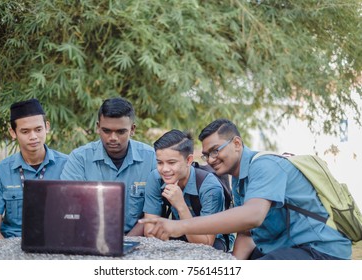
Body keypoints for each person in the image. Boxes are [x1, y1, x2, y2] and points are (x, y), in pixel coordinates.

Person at [140, 119, 352, 260]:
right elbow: (246, 234)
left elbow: (253, 216)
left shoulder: (265, 165)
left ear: (237, 143)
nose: (211, 160)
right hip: (280, 248)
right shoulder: (239, 181)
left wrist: (180, 226)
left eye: (216, 151)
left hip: (320, 249)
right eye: (206, 155)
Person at [60, 97, 156, 236]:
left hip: (136, 240)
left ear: (132, 129)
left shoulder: (150, 158)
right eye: (106, 131)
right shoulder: (79, 158)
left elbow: (152, 215)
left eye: (120, 132)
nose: (113, 138)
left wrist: (124, 243)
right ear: (98, 127)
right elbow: (69, 207)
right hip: (88, 237)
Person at [0, 98, 68, 240]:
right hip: (13, 245)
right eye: (25, 131)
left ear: (47, 127)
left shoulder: (68, 165)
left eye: (38, 129)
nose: (33, 136)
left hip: (56, 242)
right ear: (13, 132)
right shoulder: (0, 172)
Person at [143, 129, 234, 251]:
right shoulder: (156, 178)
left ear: (189, 160)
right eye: (160, 163)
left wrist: (181, 205)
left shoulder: (210, 187)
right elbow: (150, 231)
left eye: (171, 162)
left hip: (212, 241)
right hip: (178, 233)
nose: (164, 169)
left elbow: (205, 243)